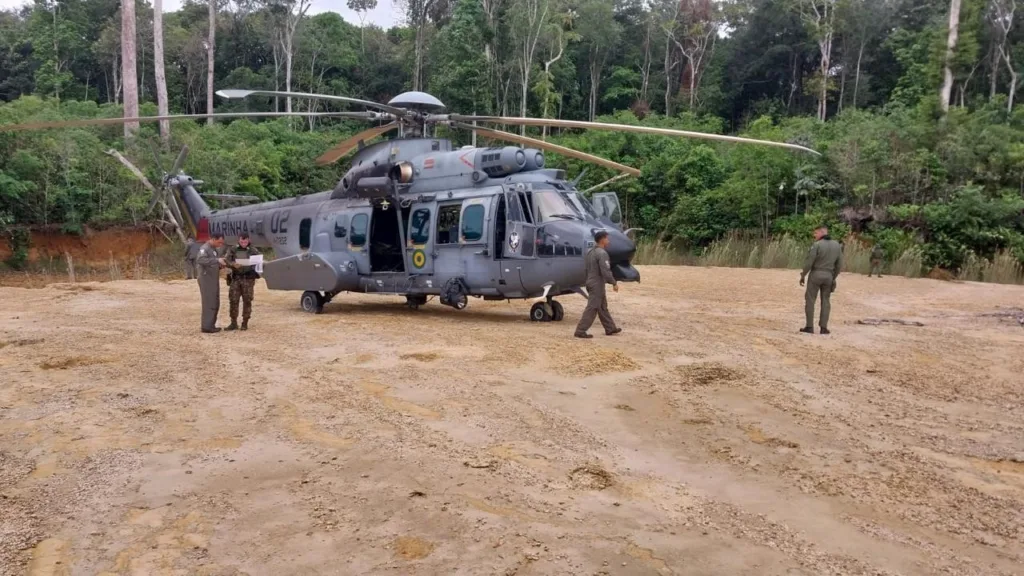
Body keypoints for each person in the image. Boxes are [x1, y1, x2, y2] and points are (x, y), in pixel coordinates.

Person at [574, 230, 622, 339]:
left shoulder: (590, 252)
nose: (608, 240)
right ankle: (580, 330)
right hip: (597, 284)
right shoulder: (602, 253)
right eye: (607, 238)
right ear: (602, 240)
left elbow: (586, 269)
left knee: (602, 307)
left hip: (591, 282)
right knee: (592, 307)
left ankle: (610, 328)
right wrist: (614, 282)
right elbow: (605, 270)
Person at [799, 225, 843, 335]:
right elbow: (839, 264)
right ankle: (824, 328)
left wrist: (803, 275)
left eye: (816, 233)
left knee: (810, 300)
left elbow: (809, 262)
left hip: (816, 274)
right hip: (829, 275)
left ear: (822, 232)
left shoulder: (817, 245)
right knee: (826, 301)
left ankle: (809, 327)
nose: (814, 235)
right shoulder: (837, 245)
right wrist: (833, 277)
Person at [224, 233, 261, 331]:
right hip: (236, 278)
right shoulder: (233, 249)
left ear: (248, 240)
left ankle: (245, 323)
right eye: (241, 241)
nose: (243, 243)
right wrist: (233, 264)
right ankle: (233, 323)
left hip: (248, 279)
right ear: (238, 240)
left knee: (247, 300)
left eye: (245, 241)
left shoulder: (253, 250)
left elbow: (259, 261)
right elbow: (226, 259)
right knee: (233, 300)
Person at [195, 233, 227, 334]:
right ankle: (206, 326)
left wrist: (220, 265)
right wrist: (217, 260)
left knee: (214, 301)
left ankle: (211, 324)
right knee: (209, 302)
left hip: (213, 279)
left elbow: (212, 262)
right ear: (213, 239)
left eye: (222, 242)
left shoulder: (214, 249)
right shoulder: (205, 248)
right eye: (219, 242)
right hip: (206, 279)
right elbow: (200, 259)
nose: (220, 244)